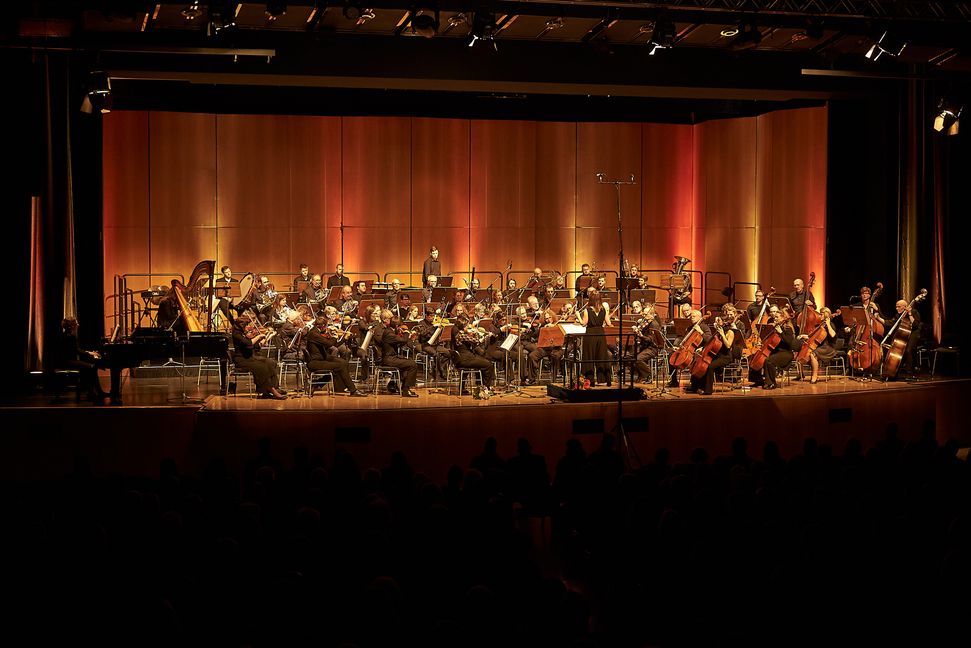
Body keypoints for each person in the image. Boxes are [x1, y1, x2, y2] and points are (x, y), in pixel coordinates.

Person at [305, 316, 365, 396]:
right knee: (340, 366)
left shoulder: (316, 332)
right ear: (323, 326)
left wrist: (344, 338)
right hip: (315, 362)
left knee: (343, 363)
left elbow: (334, 344)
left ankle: (318, 384)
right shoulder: (314, 334)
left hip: (322, 358)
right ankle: (353, 390)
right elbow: (329, 344)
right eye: (327, 326)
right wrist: (334, 336)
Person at [231, 314, 286, 400]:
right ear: (242, 325)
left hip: (249, 358)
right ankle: (271, 390)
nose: (249, 327)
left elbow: (254, 346)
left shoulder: (243, 333)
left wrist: (265, 338)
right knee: (262, 367)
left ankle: (272, 388)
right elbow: (248, 343)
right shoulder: (236, 334)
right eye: (247, 325)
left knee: (270, 363)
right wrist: (259, 336)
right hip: (241, 360)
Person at [57, 318, 109, 403]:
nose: (78, 325)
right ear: (71, 326)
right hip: (67, 362)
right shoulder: (70, 337)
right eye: (76, 323)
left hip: (67, 360)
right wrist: (90, 353)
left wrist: (89, 353)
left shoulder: (66, 335)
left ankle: (94, 392)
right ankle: (94, 392)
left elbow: (76, 350)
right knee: (92, 367)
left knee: (91, 364)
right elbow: (77, 351)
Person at [377, 309, 420, 397]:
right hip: (389, 359)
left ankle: (402, 387)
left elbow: (400, 343)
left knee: (409, 362)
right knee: (413, 365)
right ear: (397, 326)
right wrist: (407, 333)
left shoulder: (391, 331)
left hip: (392, 357)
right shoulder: (389, 333)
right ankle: (406, 389)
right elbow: (403, 340)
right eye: (400, 326)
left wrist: (410, 338)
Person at [688, 315, 735, 396]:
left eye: (719, 321)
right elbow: (712, 342)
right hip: (717, 355)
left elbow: (728, 346)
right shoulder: (718, 331)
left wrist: (722, 334)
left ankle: (708, 390)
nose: (717, 322)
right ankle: (695, 386)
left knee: (710, 367)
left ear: (724, 322)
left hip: (725, 357)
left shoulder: (730, 332)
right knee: (701, 364)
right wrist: (703, 348)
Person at [578, 288, 612, 387]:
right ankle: (605, 379)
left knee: (589, 357)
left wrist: (578, 316)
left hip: (590, 335)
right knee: (602, 357)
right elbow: (609, 323)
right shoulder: (604, 309)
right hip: (601, 335)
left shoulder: (587, 310)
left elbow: (583, 323)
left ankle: (590, 381)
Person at [797, 306, 837, 384]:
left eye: (821, 314)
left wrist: (828, 324)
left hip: (828, 348)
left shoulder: (831, 324)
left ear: (826, 315)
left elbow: (832, 335)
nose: (819, 315)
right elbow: (812, 336)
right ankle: (801, 374)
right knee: (804, 351)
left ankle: (814, 376)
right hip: (820, 347)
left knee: (813, 354)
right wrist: (803, 336)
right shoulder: (819, 325)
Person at [415, 309, 451, 381]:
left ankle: (436, 368)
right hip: (425, 345)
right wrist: (433, 326)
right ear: (426, 316)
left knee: (448, 353)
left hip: (435, 345)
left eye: (434, 316)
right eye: (431, 316)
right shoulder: (421, 323)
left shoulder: (435, 323)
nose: (433, 318)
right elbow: (422, 333)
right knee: (436, 354)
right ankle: (441, 372)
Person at [633, 304, 663, 384]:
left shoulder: (654, 325)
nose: (644, 316)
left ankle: (649, 374)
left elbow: (650, 339)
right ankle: (641, 375)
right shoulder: (646, 323)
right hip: (645, 346)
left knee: (638, 359)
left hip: (653, 348)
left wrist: (641, 336)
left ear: (652, 315)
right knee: (630, 357)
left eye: (646, 315)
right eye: (643, 314)